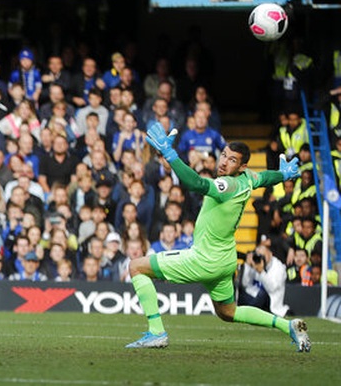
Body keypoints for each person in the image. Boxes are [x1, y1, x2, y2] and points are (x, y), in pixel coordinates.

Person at [124, 121, 310, 352]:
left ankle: (156, 332)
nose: (223, 162)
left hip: (204, 259)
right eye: (223, 155)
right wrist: (283, 174)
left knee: (136, 267)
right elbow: (265, 178)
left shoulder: (227, 185)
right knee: (228, 312)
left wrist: (170, 154)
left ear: (241, 166)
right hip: (224, 260)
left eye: (232, 160)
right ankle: (288, 326)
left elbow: (197, 183)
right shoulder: (248, 179)